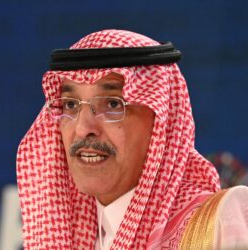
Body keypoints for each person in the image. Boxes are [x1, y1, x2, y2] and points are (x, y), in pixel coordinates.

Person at [16, 29, 248, 249]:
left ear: (161, 120)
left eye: (113, 104)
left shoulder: (219, 220)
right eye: (70, 105)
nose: (83, 128)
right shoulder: (72, 240)